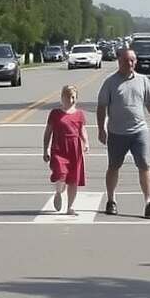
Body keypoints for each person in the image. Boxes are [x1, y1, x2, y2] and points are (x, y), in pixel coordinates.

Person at [97, 48, 150, 218]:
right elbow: (102, 107)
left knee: (144, 165)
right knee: (114, 166)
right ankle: (111, 200)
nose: (130, 63)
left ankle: (149, 202)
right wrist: (101, 129)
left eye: (133, 60)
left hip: (139, 131)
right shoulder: (110, 82)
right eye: (126, 60)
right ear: (119, 61)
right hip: (116, 133)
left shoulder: (143, 80)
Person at [43, 85, 88, 215]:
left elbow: (82, 130)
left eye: (73, 97)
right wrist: (45, 149)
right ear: (62, 98)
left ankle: (70, 207)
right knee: (60, 173)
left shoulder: (79, 114)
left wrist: (86, 142)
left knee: (73, 179)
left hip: (74, 149)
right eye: (68, 97)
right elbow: (48, 132)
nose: (71, 100)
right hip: (59, 148)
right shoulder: (55, 114)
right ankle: (58, 192)